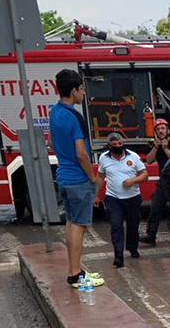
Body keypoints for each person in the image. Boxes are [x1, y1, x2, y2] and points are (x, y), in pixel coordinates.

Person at [49, 69, 96, 286]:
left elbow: (50, 142)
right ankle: (76, 273)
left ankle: (73, 269)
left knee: (70, 223)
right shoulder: (76, 117)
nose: (84, 93)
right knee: (79, 225)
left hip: (63, 177)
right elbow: (81, 153)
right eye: (82, 89)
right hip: (78, 179)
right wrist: (92, 177)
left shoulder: (55, 112)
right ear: (74, 90)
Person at [96, 133, 147, 268]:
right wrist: (95, 195)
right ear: (109, 146)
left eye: (120, 144)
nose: (118, 147)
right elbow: (100, 177)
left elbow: (144, 175)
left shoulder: (133, 157)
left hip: (132, 197)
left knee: (133, 224)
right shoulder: (104, 158)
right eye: (115, 145)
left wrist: (133, 180)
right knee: (116, 225)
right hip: (113, 198)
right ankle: (118, 256)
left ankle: (132, 247)